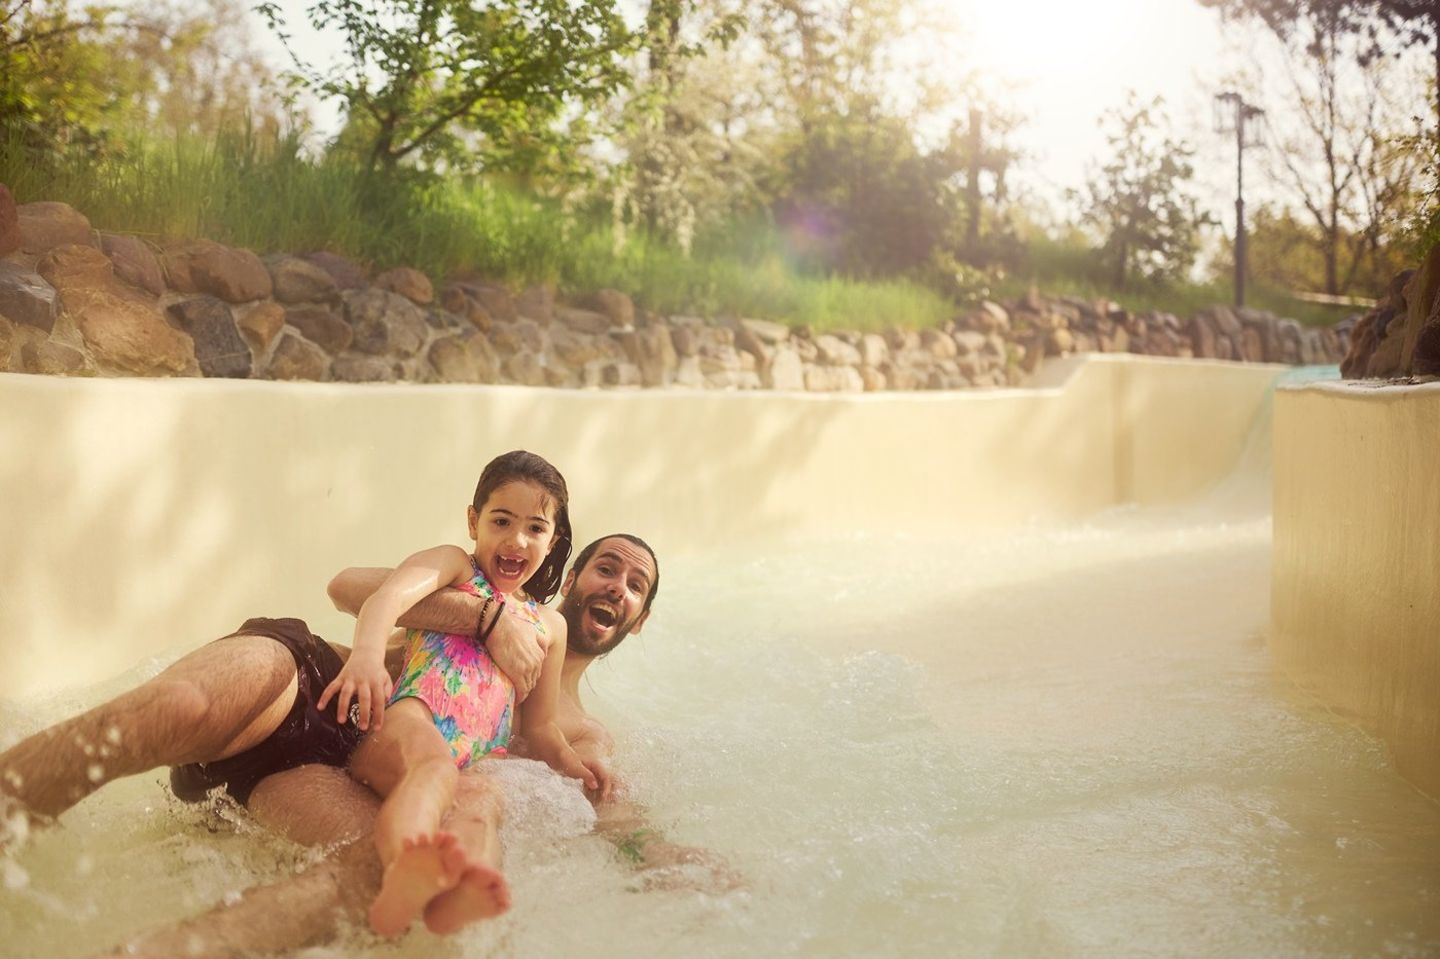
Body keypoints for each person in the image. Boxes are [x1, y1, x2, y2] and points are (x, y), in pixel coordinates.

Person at [315, 450, 605, 936]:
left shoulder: (548, 626)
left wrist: (576, 768)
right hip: (415, 715)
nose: (516, 540)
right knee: (431, 771)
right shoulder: (454, 567)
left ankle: (464, 886)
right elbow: (386, 599)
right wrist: (366, 655)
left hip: (480, 754)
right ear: (474, 521)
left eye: (535, 528)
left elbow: (540, 727)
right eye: (501, 521)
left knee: (477, 814)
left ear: (553, 541)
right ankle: (403, 869)